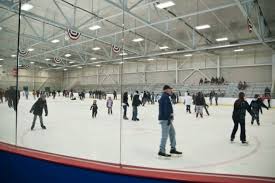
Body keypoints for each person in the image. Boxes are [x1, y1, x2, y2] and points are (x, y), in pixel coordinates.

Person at [158, 85, 182, 157]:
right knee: (164, 136)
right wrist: (168, 118)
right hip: (165, 119)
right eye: (170, 89)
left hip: (167, 119)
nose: (171, 90)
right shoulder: (165, 97)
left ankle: (173, 148)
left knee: (172, 133)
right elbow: (165, 110)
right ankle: (161, 151)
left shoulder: (166, 97)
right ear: (166, 90)